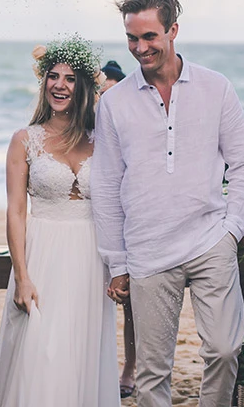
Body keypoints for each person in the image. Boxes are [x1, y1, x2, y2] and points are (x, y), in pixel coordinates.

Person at [91, 0, 244, 407]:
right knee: (153, 370)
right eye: (132, 38)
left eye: (149, 36)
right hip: (147, 250)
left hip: (209, 241)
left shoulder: (215, 87)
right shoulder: (113, 102)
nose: (140, 47)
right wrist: (118, 261)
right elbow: (108, 186)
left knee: (225, 349)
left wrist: (233, 228)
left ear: (173, 30)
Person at [0, 35, 119, 407]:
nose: (59, 85)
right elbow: (15, 211)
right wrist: (22, 275)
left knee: (83, 349)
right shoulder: (24, 140)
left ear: (84, 87)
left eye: (70, 78)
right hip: (43, 255)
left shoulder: (103, 140)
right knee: (42, 350)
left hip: (92, 259)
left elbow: (117, 205)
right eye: (53, 76)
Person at [98, 58, 135, 398]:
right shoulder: (84, 127)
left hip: (128, 225)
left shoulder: (126, 123)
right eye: (100, 92)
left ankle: (129, 367)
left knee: (131, 306)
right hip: (87, 226)